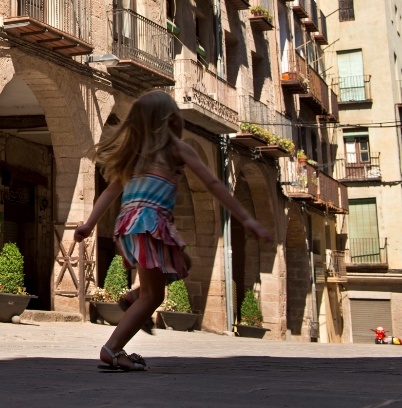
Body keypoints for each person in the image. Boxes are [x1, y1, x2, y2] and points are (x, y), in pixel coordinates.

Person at [74, 90, 272, 372]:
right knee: (153, 297)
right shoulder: (177, 149)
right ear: (170, 120)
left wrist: (89, 224)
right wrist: (246, 219)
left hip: (130, 225)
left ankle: (133, 298)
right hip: (151, 224)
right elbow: (214, 184)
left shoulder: (135, 155)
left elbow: (109, 193)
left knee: (182, 263)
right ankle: (112, 349)